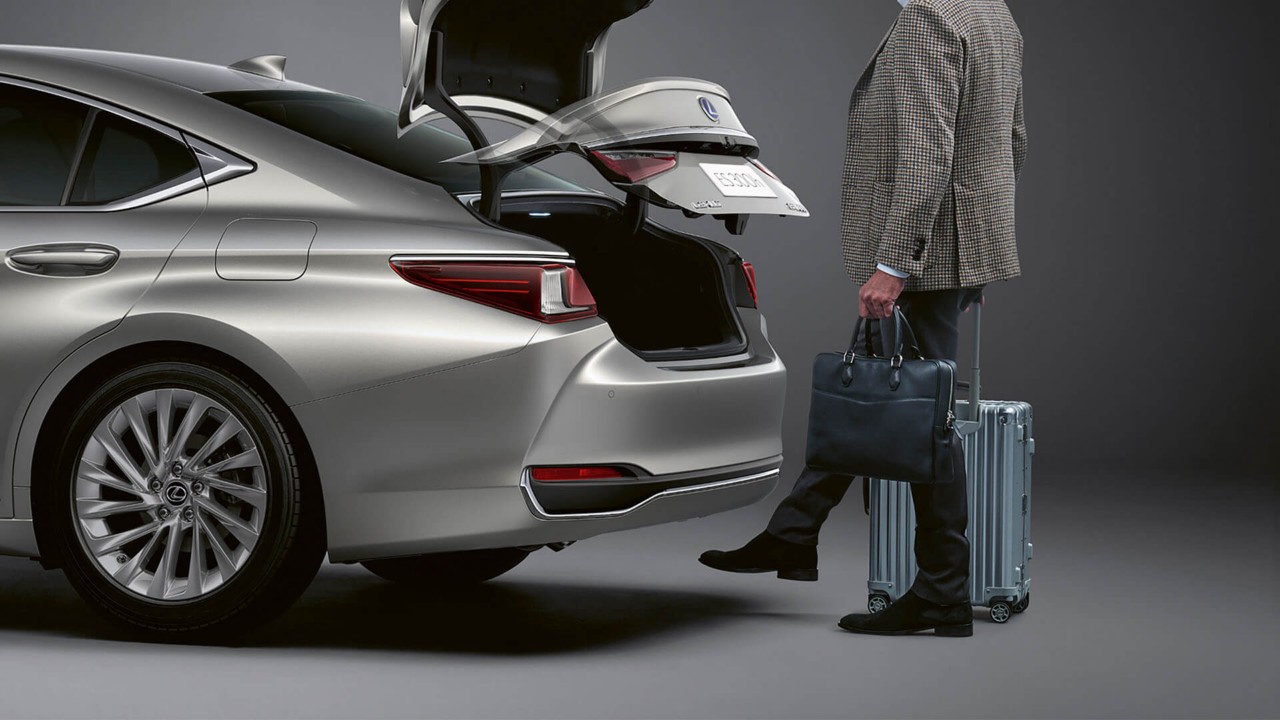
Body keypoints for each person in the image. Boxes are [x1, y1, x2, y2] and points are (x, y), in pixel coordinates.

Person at [699, 0, 1026, 637]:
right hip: (958, 245)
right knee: (882, 395)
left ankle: (941, 593)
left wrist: (896, 263)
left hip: (923, 252)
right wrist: (975, 260)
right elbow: (1010, 140)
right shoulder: (995, 14)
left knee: (921, 419)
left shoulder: (931, 18)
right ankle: (793, 533)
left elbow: (929, 152)